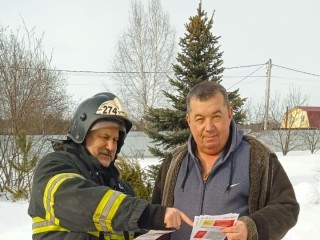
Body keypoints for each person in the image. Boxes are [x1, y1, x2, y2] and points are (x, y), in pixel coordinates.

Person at [28, 92, 192, 240]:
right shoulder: (53, 167)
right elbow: (82, 202)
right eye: (104, 137)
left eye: (115, 140)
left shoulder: (121, 190)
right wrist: (149, 214)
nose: (111, 147)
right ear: (82, 134)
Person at [151, 81, 299, 240]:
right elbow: (155, 214)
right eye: (200, 119)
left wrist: (251, 227)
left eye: (216, 117)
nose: (208, 127)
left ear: (229, 114)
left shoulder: (258, 158)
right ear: (189, 121)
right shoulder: (174, 162)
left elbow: (287, 208)